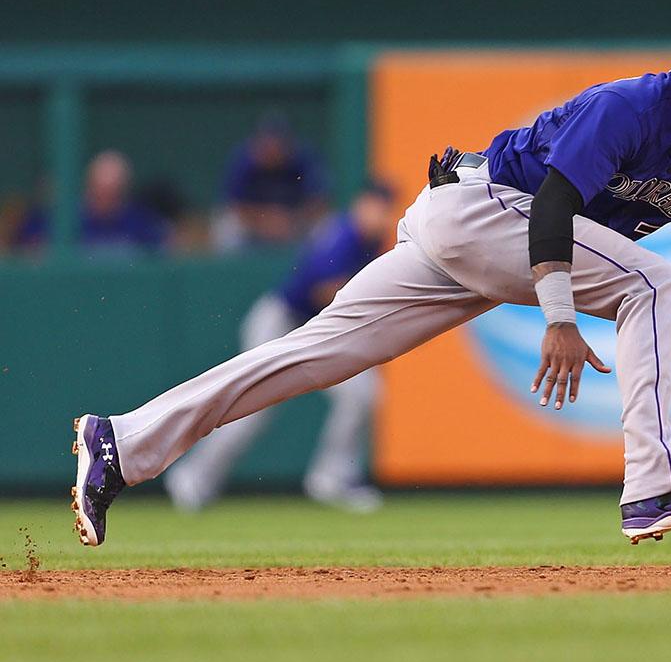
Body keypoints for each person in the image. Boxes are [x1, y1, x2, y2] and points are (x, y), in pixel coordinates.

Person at [68, 1, 671, 548]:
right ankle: (651, 487)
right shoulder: (630, 106)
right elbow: (555, 202)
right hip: (488, 210)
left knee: (312, 357)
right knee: (654, 284)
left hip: (476, 238)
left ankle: (123, 442)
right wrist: (562, 315)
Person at [163, 182, 398, 513]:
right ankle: (193, 477)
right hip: (280, 321)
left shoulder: (372, 241)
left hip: (317, 329)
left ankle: (332, 475)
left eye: (385, 207)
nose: (380, 214)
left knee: (363, 392)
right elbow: (323, 289)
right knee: (252, 409)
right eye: (375, 205)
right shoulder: (343, 234)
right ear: (360, 204)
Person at [14, 152, 168, 255]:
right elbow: (27, 246)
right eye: (100, 191)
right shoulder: (63, 217)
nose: (106, 198)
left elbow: (166, 248)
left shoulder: (139, 220)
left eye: (113, 193)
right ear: (89, 187)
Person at [216, 114, 329, 249]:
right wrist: (266, 221)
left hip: (295, 222)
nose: (273, 148)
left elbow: (319, 202)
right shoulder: (244, 160)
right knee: (228, 227)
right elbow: (234, 205)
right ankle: (234, 270)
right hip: (255, 223)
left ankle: (320, 269)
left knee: (326, 227)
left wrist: (291, 219)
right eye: (268, 143)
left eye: (277, 143)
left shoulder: (302, 159)